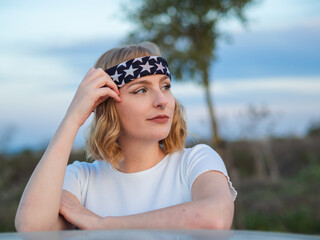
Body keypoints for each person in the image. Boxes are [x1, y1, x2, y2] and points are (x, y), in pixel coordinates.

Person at [15, 42, 237, 232]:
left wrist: (102, 224)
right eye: (141, 90)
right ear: (107, 105)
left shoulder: (195, 162)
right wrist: (72, 118)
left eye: (165, 86)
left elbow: (215, 218)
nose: (162, 100)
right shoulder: (81, 178)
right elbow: (32, 228)